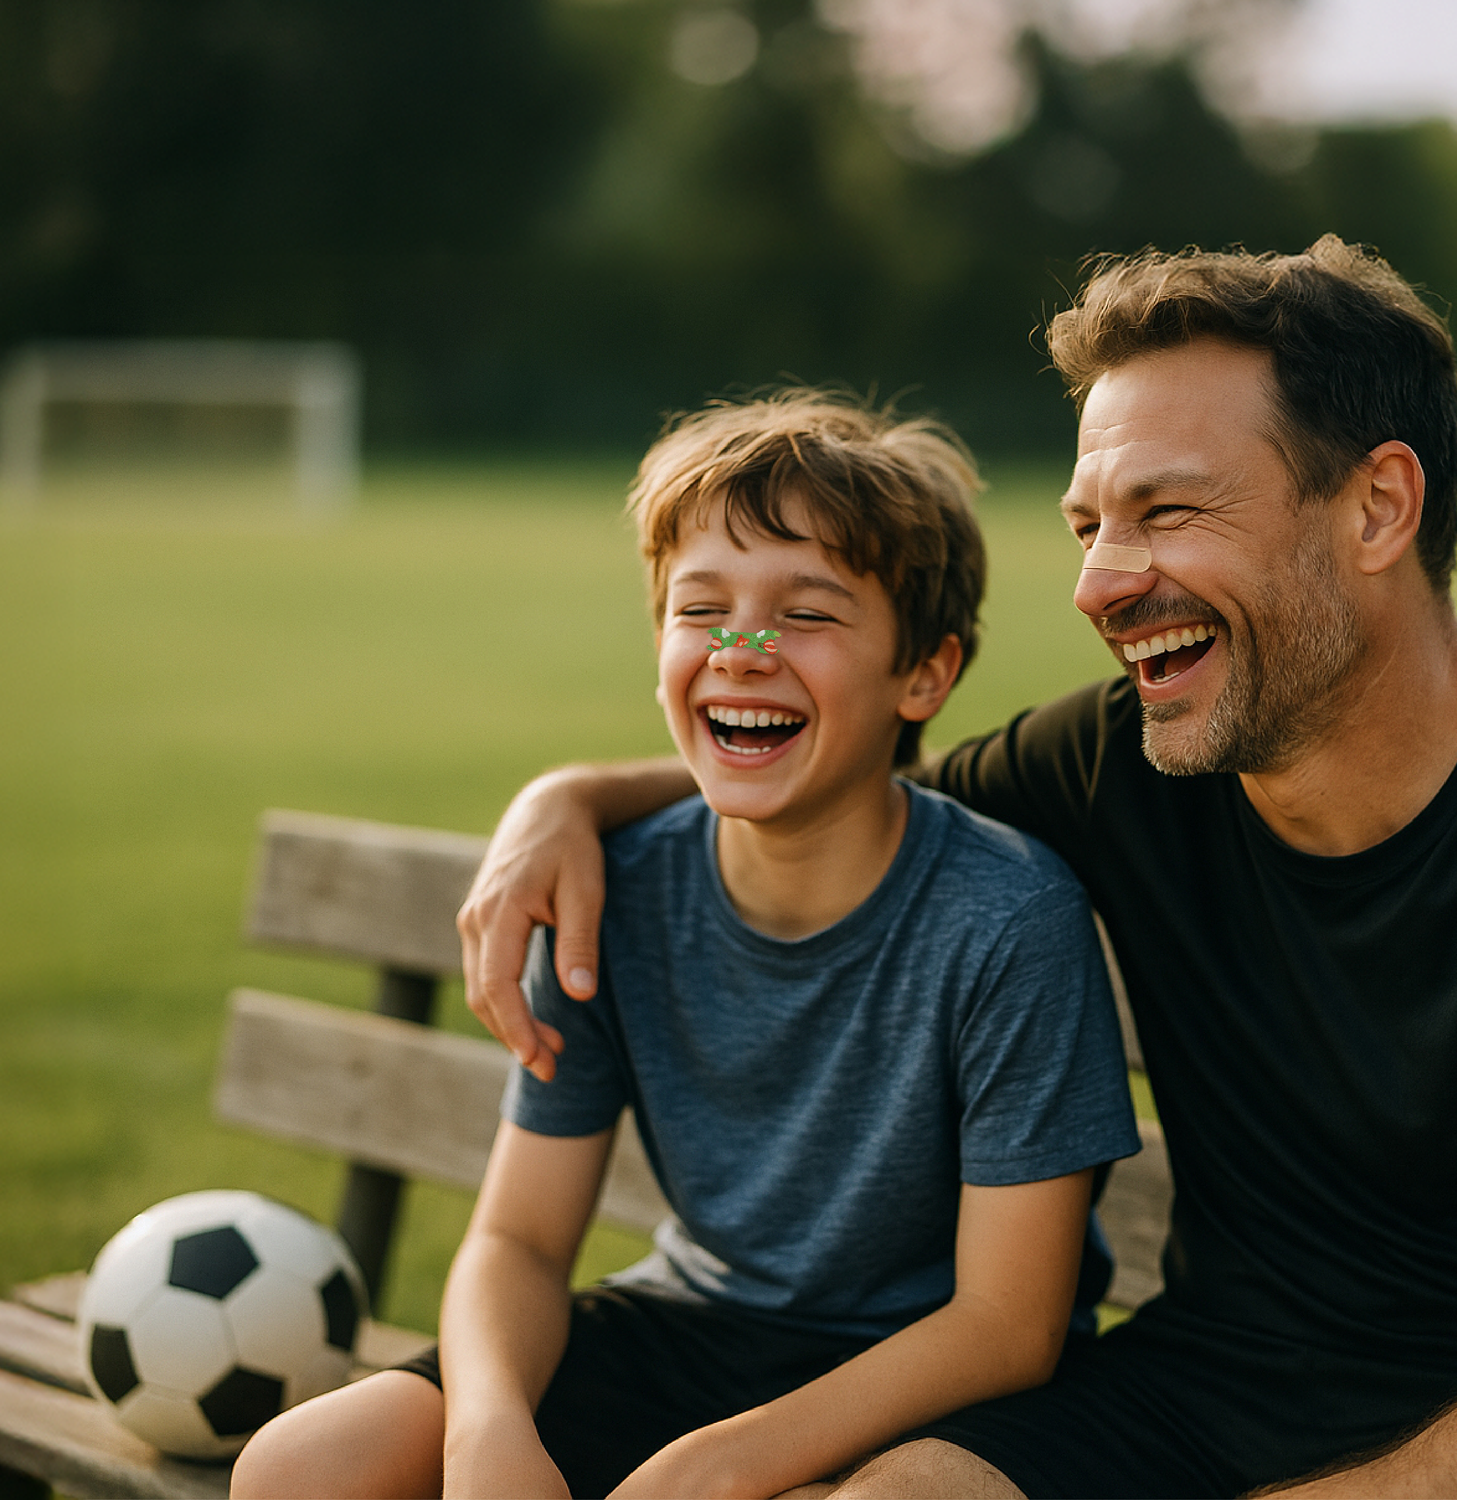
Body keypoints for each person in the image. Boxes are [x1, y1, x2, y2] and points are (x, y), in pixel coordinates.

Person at [457, 236, 1457, 1500]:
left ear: (1377, 507)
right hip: (1196, 1389)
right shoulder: (1119, 758)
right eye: (1090, 524)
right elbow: (838, 782)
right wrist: (567, 801)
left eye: (1168, 512)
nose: (1100, 584)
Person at [230, 391, 1139, 1500]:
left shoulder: (1009, 921)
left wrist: (722, 1462)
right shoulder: (609, 891)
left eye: (806, 615)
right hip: (691, 1330)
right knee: (302, 1468)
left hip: (931, 1377)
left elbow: (1007, 1325)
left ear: (926, 675)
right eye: (701, 609)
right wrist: (488, 1434)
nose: (743, 651)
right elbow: (516, 1242)